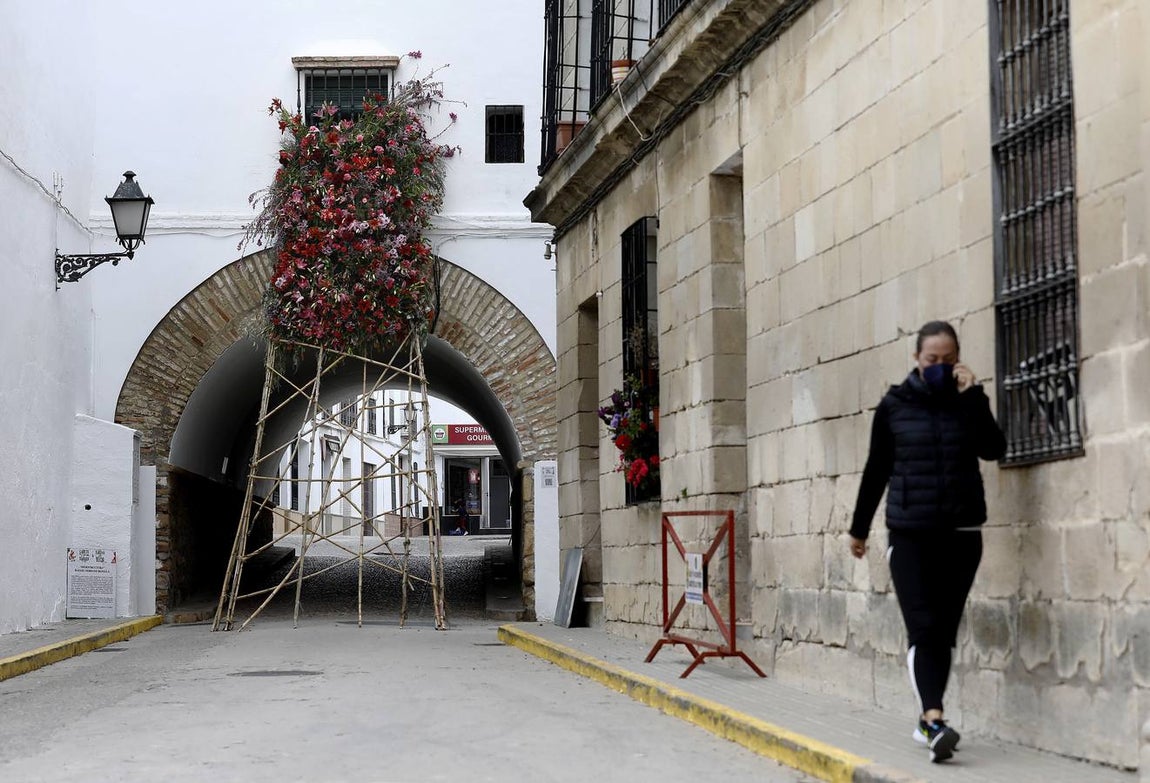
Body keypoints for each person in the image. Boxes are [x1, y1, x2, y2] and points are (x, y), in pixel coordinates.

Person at [849, 320, 1006, 764]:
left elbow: (994, 448)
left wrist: (974, 396)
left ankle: (927, 720)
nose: (940, 366)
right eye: (932, 360)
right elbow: (876, 470)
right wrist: (859, 530)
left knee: (944, 631)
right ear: (917, 360)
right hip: (911, 534)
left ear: (958, 359)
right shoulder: (894, 407)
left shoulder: (967, 403)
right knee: (923, 626)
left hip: (962, 535)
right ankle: (934, 719)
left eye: (948, 359)